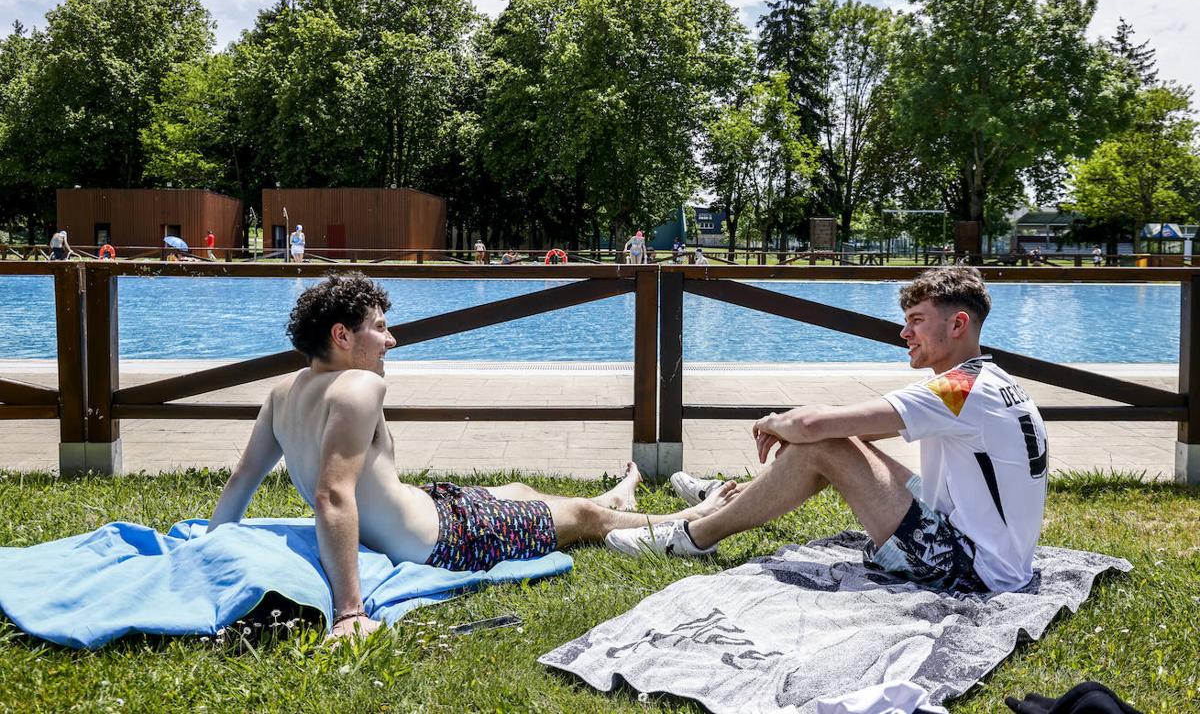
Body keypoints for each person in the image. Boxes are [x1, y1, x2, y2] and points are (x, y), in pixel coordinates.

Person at [208, 273, 736, 639]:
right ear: (342, 335)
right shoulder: (358, 389)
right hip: (445, 541)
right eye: (380, 327)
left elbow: (241, 481)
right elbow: (331, 494)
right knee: (582, 520)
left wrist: (213, 548)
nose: (391, 340)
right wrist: (351, 612)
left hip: (435, 506)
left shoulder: (282, 394)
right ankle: (682, 519)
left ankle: (615, 493)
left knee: (520, 495)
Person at [607, 266, 1049, 596]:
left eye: (916, 320)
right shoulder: (985, 382)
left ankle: (695, 537)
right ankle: (729, 502)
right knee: (826, 443)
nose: (904, 332)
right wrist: (808, 434)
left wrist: (774, 423)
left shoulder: (957, 390)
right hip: (988, 553)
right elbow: (855, 432)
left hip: (969, 569)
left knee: (822, 445)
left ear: (958, 324)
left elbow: (814, 426)